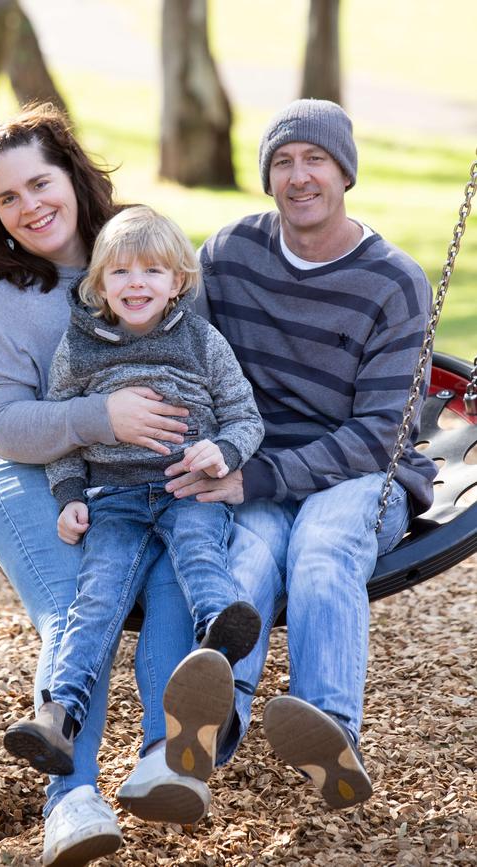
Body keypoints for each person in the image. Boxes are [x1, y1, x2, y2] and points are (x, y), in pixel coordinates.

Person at [159, 99, 437, 810]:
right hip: (256, 467)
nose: (299, 175)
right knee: (245, 562)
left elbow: (378, 432)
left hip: (361, 473)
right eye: (283, 161)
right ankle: (211, 730)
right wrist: (220, 458)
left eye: (315, 159)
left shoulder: (394, 282)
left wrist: (261, 476)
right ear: (267, 178)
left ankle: (331, 731)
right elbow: (191, 370)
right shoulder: (229, 255)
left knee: (322, 547)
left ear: (345, 172)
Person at [0, 103, 207, 867]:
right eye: (8, 197)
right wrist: (103, 415)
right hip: (27, 473)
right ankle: (70, 799)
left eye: (40, 182)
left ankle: (166, 756)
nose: (30, 206)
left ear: (71, 174)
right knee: (73, 601)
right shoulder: (1, 295)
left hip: (136, 475)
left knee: (174, 576)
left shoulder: (137, 249)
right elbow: (2, 421)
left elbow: (200, 354)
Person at [7, 205, 264, 784]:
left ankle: (219, 638)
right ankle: (58, 714)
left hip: (188, 488)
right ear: (99, 285)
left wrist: (222, 452)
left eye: (152, 271)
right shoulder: (79, 348)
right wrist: (70, 492)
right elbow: (61, 429)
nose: (136, 283)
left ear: (178, 282)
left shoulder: (202, 341)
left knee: (200, 554)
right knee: (95, 601)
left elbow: (245, 417)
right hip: (113, 501)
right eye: (120, 273)